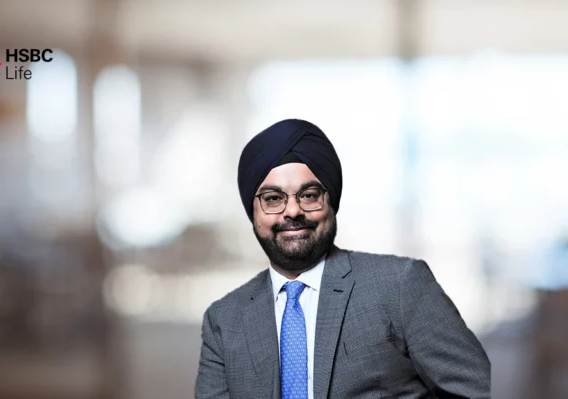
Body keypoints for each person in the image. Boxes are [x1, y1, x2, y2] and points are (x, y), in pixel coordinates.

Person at [195, 119, 490, 398]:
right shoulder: (224, 320)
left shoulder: (399, 285)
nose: (293, 211)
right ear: (253, 213)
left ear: (331, 202)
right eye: (273, 199)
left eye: (309, 195)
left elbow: (473, 390)